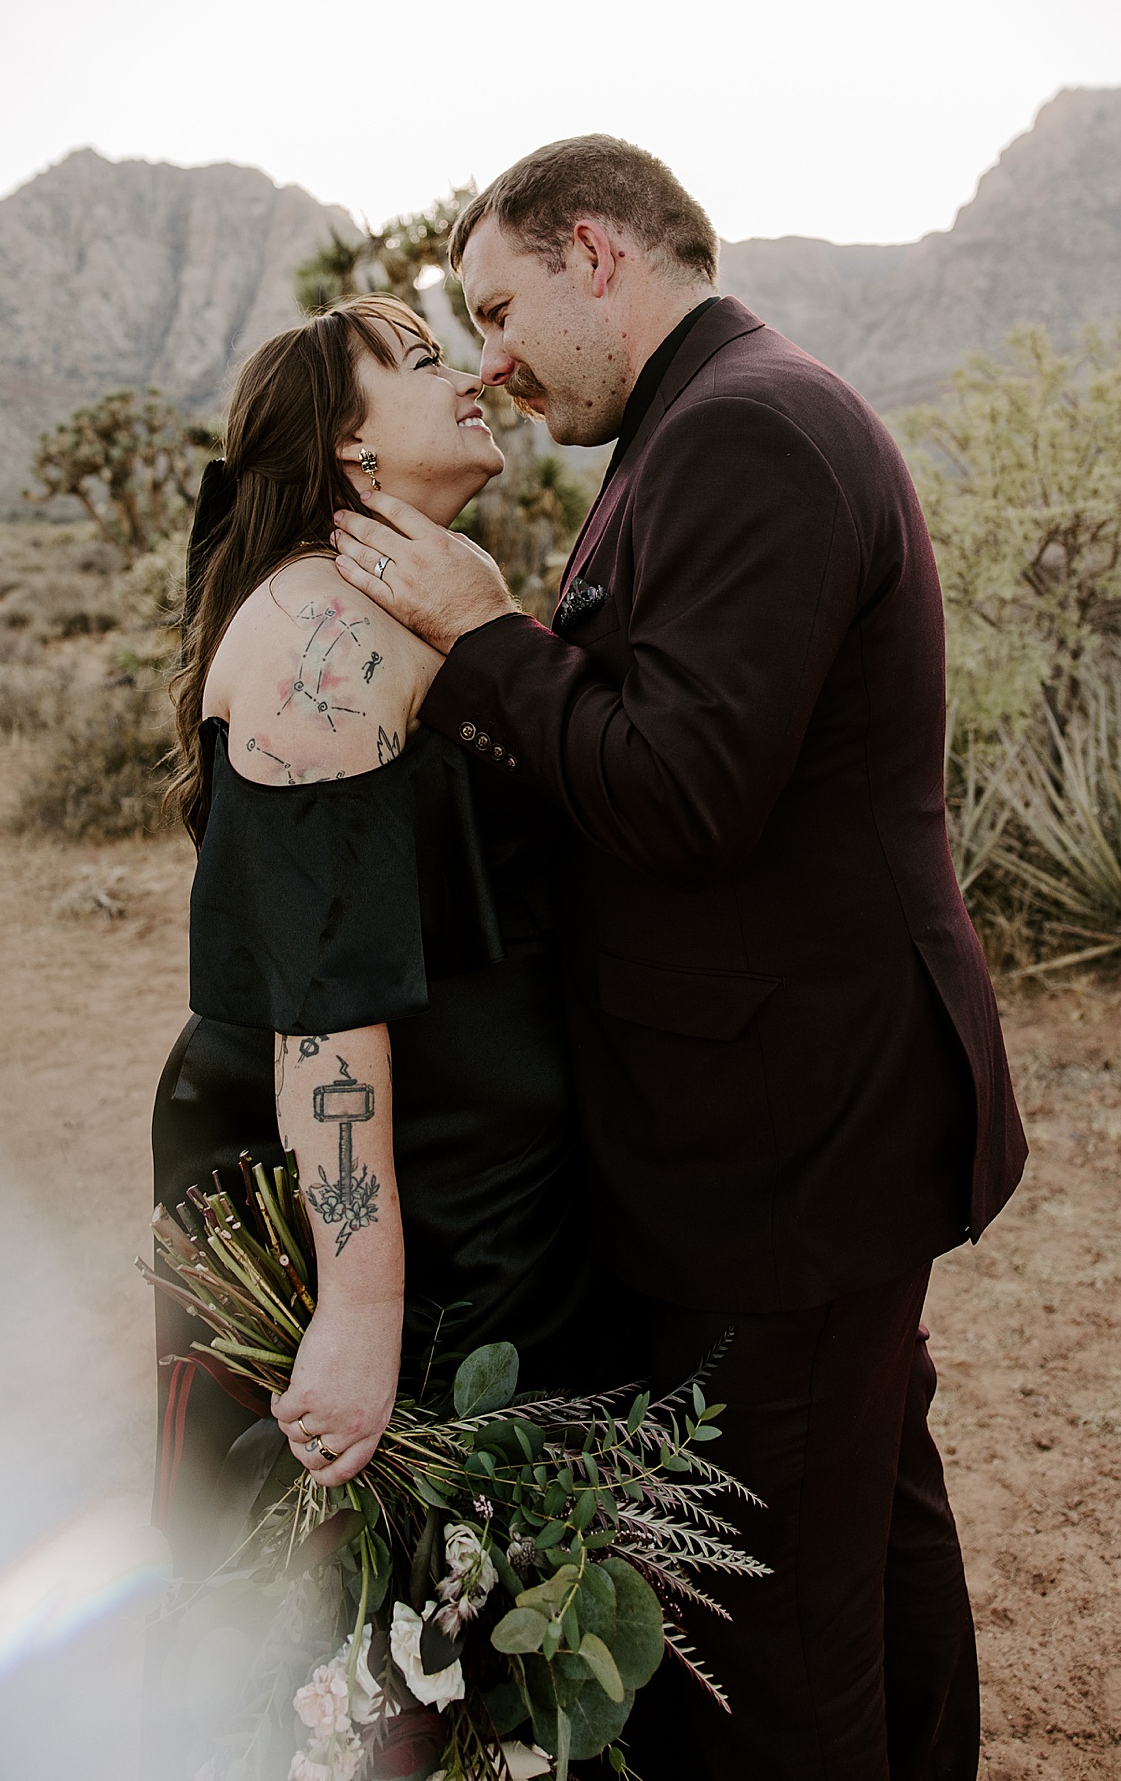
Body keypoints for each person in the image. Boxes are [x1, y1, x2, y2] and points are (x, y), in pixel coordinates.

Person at [329, 135, 1030, 1781]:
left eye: (498, 304)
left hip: (786, 1138)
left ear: (595, 253)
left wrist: (486, 637)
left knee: (771, 1638)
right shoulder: (709, 423)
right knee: (868, 1527)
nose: (490, 355)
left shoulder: (746, 435)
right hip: (810, 1109)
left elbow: (689, 791)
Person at [147, 295, 621, 1597]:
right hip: (361, 1185)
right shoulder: (318, 636)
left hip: (474, 1168)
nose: (467, 374)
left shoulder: (401, 607)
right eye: (420, 362)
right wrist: (359, 1313)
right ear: (352, 453)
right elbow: (323, 1008)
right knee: (348, 1604)